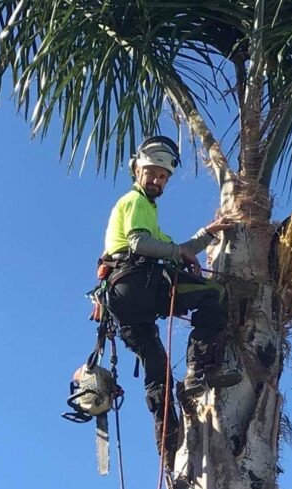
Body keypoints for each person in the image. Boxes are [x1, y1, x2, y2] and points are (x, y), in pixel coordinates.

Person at [100, 136, 241, 456]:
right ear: (136, 170)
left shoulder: (147, 210)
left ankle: (169, 444)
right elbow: (139, 244)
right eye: (151, 172)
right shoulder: (134, 202)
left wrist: (209, 233)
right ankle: (200, 372)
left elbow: (179, 251)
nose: (157, 179)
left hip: (125, 305)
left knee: (157, 367)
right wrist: (177, 251)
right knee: (213, 294)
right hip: (139, 285)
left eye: (163, 176)